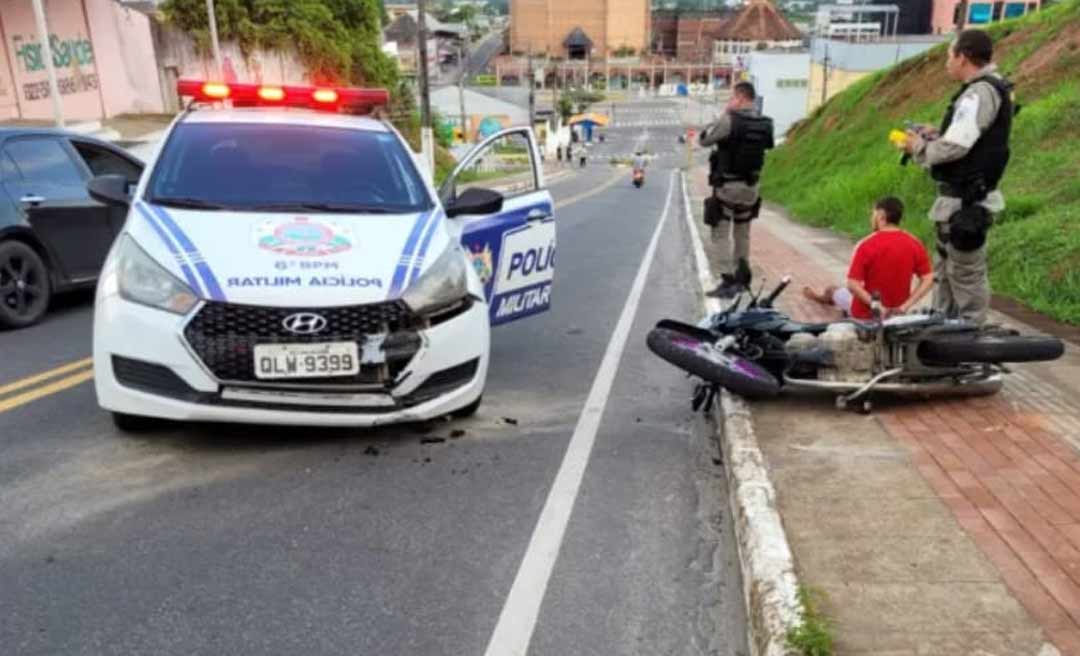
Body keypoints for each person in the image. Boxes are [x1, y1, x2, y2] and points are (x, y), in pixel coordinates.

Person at [896, 29, 1015, 325]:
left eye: (950, 55)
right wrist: (937, 135)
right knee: (947, 271)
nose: (947, 63)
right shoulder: (988, 89)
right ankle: (944, 329)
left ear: (963, 57)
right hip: (961, 200)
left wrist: (919, 147)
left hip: (966, 202)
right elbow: (967, 139)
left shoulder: (979, 92)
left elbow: (956, 146)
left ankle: (970, 337)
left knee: (964, 274)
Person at [699, 82, 775, 298]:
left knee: (720, 232)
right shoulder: (766, 123)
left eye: (732, 97)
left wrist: (723, 114)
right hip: (751, 189)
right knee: (743, 233)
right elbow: (767, 146)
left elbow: (705, 140)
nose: (730, 100)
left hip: (728, 188)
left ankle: (728, 280)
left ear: (740, 98)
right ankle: (742, 279)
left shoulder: (729, 119)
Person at [804, 197, 933, 320]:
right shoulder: (914, 243)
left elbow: (852, 284)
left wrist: (879, 307)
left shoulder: (866, 244)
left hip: (865, 314)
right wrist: (905, 306)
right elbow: (928, 278)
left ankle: (822, 298)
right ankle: (824, 299)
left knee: (832, 290)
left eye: (873, 214)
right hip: (897, 314)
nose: (872, 218)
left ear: (881, 216)